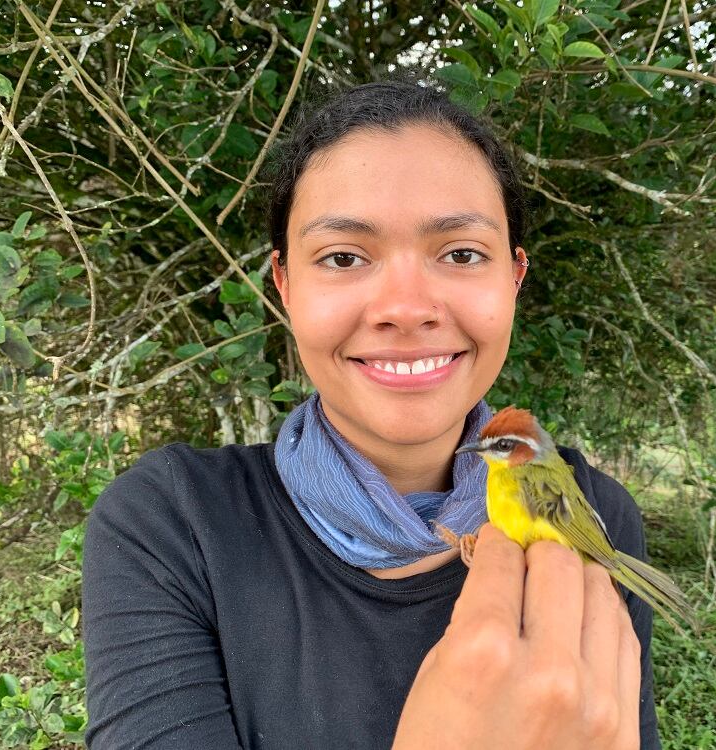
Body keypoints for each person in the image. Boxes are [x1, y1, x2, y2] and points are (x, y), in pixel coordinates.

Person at [82, 78, 661, 749]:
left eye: (462, 253)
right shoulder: (169, 523)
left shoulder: (601, 512)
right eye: (345, 257)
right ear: (285, 286)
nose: (406, 307)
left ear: (514, 277)